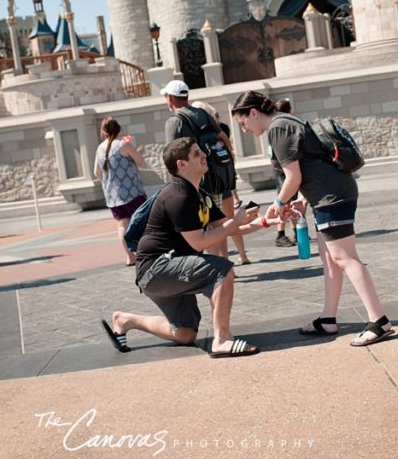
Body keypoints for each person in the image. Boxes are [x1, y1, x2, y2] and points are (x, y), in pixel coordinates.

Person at [230, 91, 395, 346]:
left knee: (344, 257)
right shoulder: (286, 121)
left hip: (332, 197)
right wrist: (303, 200)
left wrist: (277, 205)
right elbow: (312, 163)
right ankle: (328, 318)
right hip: (329, 195)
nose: (244, 129)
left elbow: (292, 177)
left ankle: (379, 321)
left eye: (243, 123)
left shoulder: (278, 127)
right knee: (329, 259)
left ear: (253, 112)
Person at [99, 137, 271, 357]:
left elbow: (230, 228)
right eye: (197, 153)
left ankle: (125, 320)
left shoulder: (199, 195)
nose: (204, 155)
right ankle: (222, 340)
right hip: (156, 270)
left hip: (168, 267)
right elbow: (200, 242)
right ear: (181, 164)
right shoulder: (177, 196)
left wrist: (268, 220)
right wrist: (235, 222)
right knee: (222, 270)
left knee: (185, 334)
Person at [162, 81, 250, 265]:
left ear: (170, 98)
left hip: (200, 183)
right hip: (219, 177)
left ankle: (218, 268)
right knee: (221, 224)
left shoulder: (175, 122)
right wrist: (227, 165)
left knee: (208, 229)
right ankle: (226, 264)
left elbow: (173, 156)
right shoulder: (202, 113)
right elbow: (223, 138)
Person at [93, 117, 147, 267]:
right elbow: (140, 161)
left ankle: (130, 257)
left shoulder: (99, 148)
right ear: (118, 129)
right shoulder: (123, 144)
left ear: (103, 131)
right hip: (132, 191)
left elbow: (96, 172)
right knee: (142, 221)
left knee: (122, 225)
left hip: (113, 196)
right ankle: (145, 253)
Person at [270, 98, 296, 248]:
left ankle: (296, 232)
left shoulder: (280, 125)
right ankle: (280, 234)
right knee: (284, 201)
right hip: (282, 171)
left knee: (290, 202)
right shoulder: (281, 126)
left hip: (283, 169)